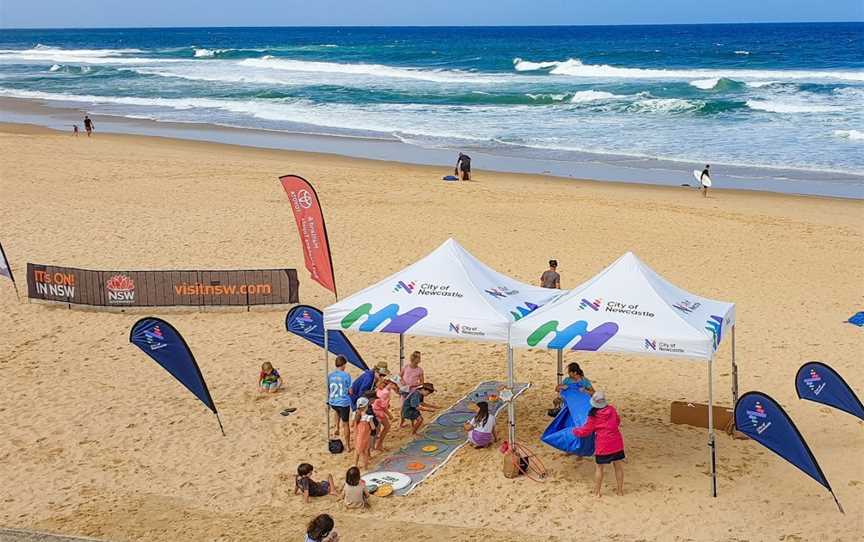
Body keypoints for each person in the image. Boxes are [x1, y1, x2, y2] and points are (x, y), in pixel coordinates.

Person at [572, 391, 625, 497]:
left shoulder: (593, 415)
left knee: (599, 468)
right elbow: (618, 421)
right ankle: (620, 491)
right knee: (618, 466)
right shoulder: (612, 409)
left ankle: (597, 492)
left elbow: (586, 431)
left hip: (603, 445)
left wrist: (574, 431)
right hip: (616, 443)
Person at [328, 355, 352, 450]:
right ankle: (348, 445)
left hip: (333, 401)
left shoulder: (330, 375)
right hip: (343, 402)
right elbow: (350, 391)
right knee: (346, 424)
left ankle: (336, 427)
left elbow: (328, 389)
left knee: (336, 411)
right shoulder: (346, 375)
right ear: (343, 365)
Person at [372, 376, 398, 452]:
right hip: (378, 411)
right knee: (386, 427)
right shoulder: (386, 392)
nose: (396, 387)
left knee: (377, 430)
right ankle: (379, 445)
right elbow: (383, 407)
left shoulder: (381, 389)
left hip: (375, 409)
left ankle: (375, 446)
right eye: (395, 385)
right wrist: (390, 415)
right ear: (391, 384)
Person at [399, 351, 425, 427]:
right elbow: (399, 376)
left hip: (413, 391)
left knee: (413, 407)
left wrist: (413, 385)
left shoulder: (420, 370)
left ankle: (413, 423)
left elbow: (422, 382)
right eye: (418, 358)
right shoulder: (406, 367)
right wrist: (403, 382)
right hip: (405, 390)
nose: (420, 360)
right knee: (403, 407)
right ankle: (402, 422)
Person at [352, 396, 375, 469]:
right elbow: (373, 427)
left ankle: (355, 464)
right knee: (364, 452)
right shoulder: (368, 417)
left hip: (357, 435)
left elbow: (352, 424)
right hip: (365, 437)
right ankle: (365, 466)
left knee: (357, 451)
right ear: (366, 406)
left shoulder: (354, 414)